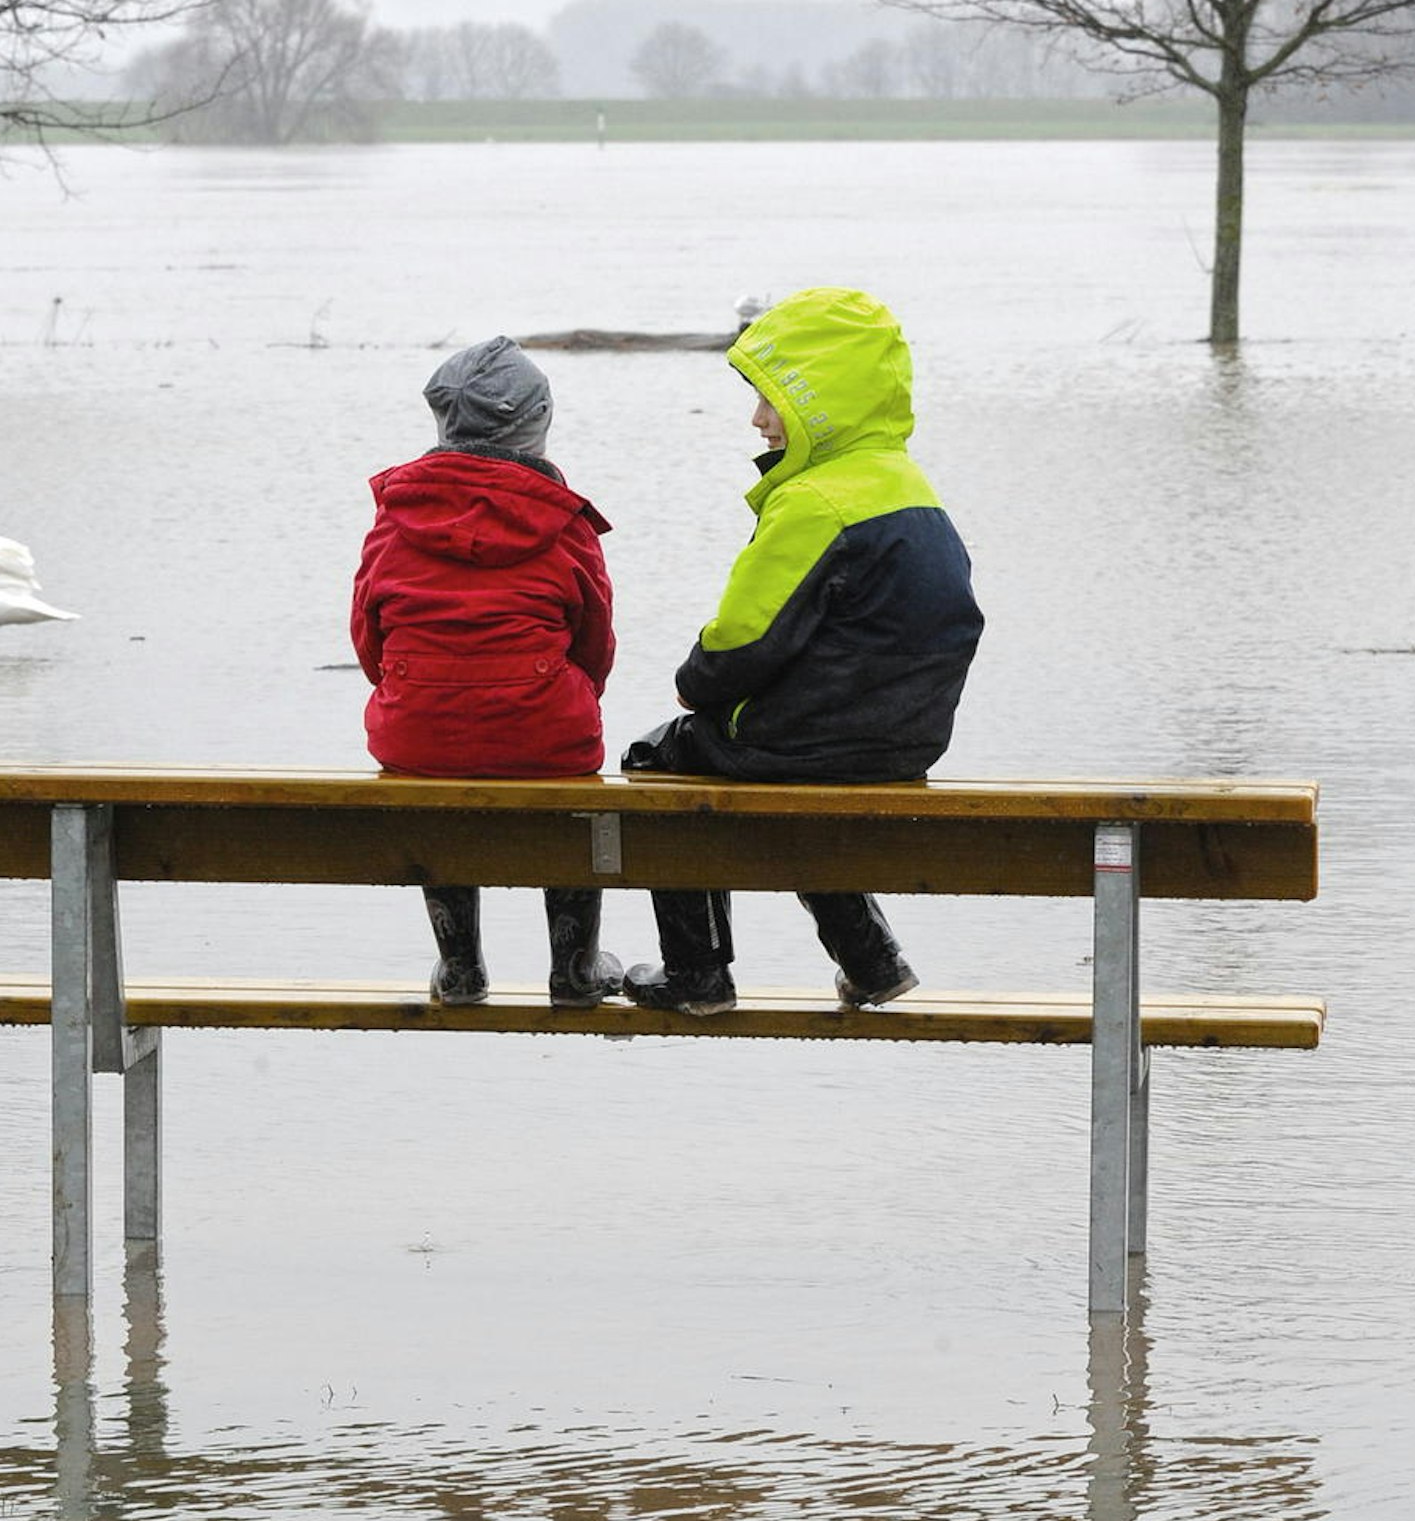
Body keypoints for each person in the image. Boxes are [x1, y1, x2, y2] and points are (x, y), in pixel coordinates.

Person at [621, 286, 984, 1014]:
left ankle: (697, 972)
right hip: (905, 740)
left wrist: (695, 683)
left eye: (771, 399)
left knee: (661, 756)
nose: (757, 419)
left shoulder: (817, 501)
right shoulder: (910, 488)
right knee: (793, 791)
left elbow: (747, 636)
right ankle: (872, 960)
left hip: (817, 740)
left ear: (821, 402)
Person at [352, 336, 622, 1006]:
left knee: (433, 767)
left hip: (417, 732)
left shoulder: (396, 519)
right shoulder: (563, 521)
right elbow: (595, 645)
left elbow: (368, 639)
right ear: (537, 423)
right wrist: (559, 693)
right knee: (569, 779)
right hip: (546, 729)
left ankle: (461, 967)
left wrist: (420, 686)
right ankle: (574, 969)